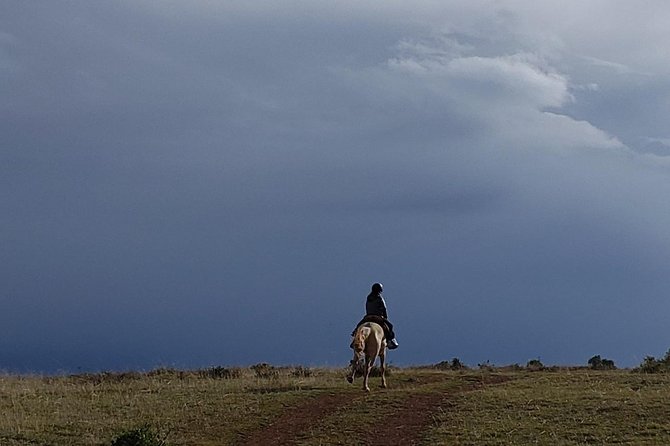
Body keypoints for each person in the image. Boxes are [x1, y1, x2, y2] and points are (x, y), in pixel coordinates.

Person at [352, 282, 399, 349]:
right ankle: (390, 341)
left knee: (358, 326)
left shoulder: (368, 297)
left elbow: (367, 306)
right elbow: (384, 308)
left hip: (368, 316)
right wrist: (385, 317)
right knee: (390, 326)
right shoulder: (379, 298)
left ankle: (355, 340)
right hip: (378, 316)